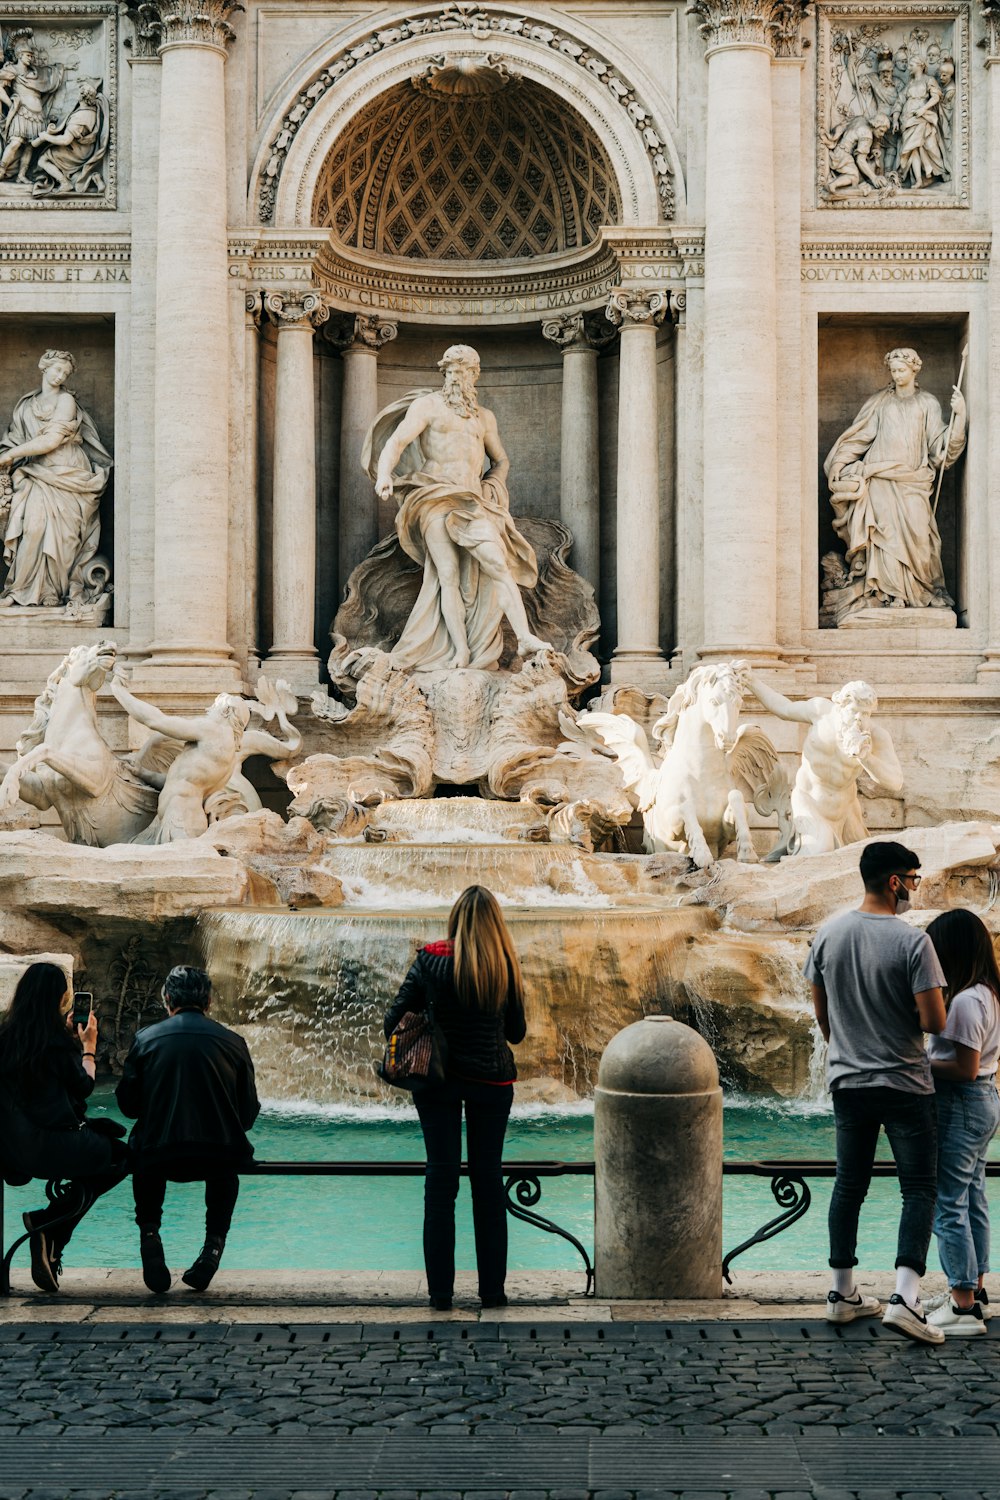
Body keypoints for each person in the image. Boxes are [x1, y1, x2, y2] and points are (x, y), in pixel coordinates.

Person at [804, 841, 947, 1343]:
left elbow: (823, 1015)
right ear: (893, 882)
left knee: (849, 1186)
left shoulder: (828, 934)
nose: (913, 887)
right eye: (913, 878)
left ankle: (842, 1293)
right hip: (906, 1082)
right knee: (919, 1188)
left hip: (849, 1082)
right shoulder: (914, 943)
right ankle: (905, 1298)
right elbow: (934, 1020)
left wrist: (850, 1048)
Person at [384, 885, 527, 1310]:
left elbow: (394, 1019)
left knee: (440, 1181)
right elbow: (516, 1032)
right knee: (487, 1182)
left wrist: (433, 1015)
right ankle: (493, 1292)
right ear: (495, 924)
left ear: (455, 919)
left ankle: (440, 1294)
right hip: (492, 1082)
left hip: (438, 1082)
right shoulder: (505, 964)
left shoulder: (429, 960)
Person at [367, 344, 550, 670]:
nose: (457, 377)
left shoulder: (484, 418)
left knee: (498, 563)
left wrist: (493, 483)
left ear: (474, 376)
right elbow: (396, 441)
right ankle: (460, 652)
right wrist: (383, 474)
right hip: (433, 497)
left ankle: (524, 638)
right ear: (444, 373)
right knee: (446, 574)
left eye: (463, 371)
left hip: (472, 501)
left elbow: (502, 459)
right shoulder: (428, 406)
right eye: (451, 370)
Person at [116, 966, 259, 1295]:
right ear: (208, 1001)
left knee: (143, 1154)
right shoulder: (234, 1042)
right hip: (218, 1155)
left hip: (159, 1154)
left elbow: (129, 1107)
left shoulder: (145, 1040)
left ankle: (149, 1233)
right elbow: (247, 1115)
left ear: (166, 999)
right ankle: (213, 1247)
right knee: (227, 1167)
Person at [0, 962, 127, 1293]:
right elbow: (83, 1087)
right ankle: (51, 1226)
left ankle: (52, 1238)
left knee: (99, 1155)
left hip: (13, 1151)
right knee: (121, 1156)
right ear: (59, 999)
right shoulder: (56, 1044)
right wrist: (87, 1047)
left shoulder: (6, 1039)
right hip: (56, 1146)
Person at [824, 346, 966, 614]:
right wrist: (840, 462)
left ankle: (921, 590)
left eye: (902, 370)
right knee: (883, 536)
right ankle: (888, 594)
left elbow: (941, 449)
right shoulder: (881, 402)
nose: (897, 375)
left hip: (913, 480)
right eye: (893, 371)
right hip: (879, 478)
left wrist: (959, 417)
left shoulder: (928, 403)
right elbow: (859, 437)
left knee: (921, 539)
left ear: (914, 370)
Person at [923, 909, 1000, 1335]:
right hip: (985, 1101)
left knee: (949, 1202)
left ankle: (963, 1304)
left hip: (965, 1102)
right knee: (973, 1200)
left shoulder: (967, 1000)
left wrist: (919, 1064)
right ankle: (974, 1292)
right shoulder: (988, 992)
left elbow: (964, 1068)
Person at [0, 349, 112, 607]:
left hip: (68, 474)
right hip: (37, 474)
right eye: (57, 369)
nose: (60, 375)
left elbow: (51, 440)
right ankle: (21, 590)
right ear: (44, 366)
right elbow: (15, 440)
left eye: (66, 372)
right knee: (34, 527)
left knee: (64, 537)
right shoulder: (26, 405)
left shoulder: (66, 401)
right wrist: (12, 460)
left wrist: (12, 455)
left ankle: (54, 591)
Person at [748, 674, 902, 855]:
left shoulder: (876, 736)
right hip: (809, 801)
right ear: (841, 706)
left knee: (861, 862)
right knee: (819, 851)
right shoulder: (821, 711)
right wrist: (751, 681)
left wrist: (865, 757)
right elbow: (784, 708)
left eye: (866, 713)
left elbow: (895, 782)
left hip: (846, 810)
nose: (859, 719)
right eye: (854, 711)